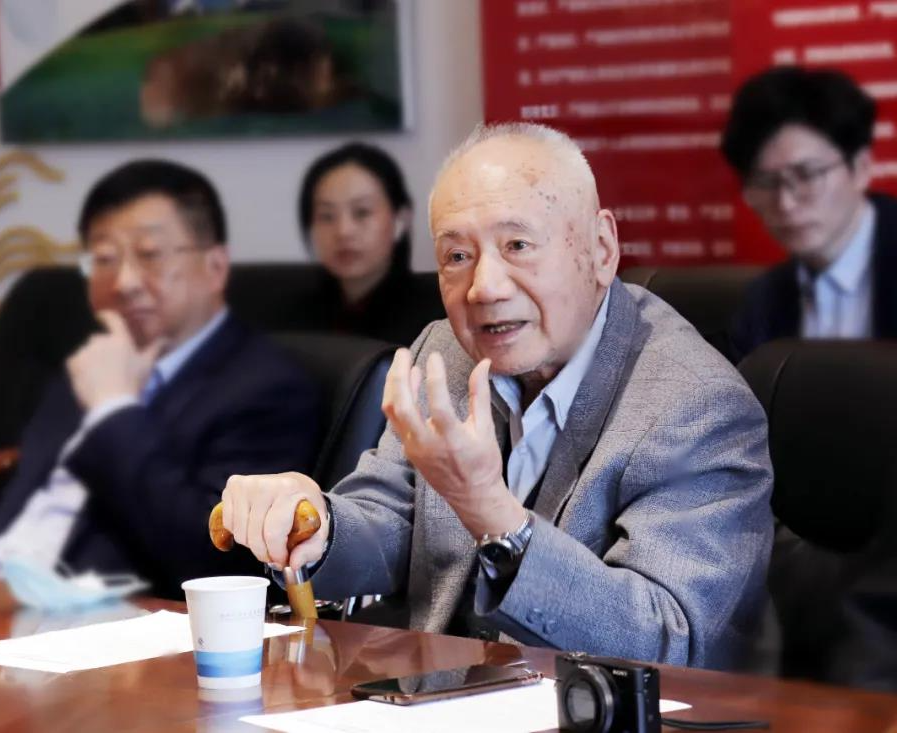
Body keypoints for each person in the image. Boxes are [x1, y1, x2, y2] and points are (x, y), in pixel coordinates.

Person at [222, 123, 774, 669]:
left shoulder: (695, 404)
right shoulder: (445, 349)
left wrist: (492, 513)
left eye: (518, 246)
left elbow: (668, 640)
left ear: (602, 249)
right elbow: (392, 518)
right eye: (457, 257)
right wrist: (318, 523)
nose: (485, 288)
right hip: (439, 693)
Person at [0, 160, 319, 598]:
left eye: (150, 255)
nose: (124, 282)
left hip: (115, 625)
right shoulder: (88, 364)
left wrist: (114, 411)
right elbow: (11, 513)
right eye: (104, 259)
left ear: (215, 266)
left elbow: (213, 559)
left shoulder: (268, 389)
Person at [723, 65, 897, 360]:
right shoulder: (763, 301)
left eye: (806, 174)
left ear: (861, 168)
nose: (786, 202)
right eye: (765, 182)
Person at [288, 142, 444, 345]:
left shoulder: (439, 319)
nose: (343, 231)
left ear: (400, 220)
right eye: (327, 216)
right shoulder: (292, 321)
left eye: (362, 212)